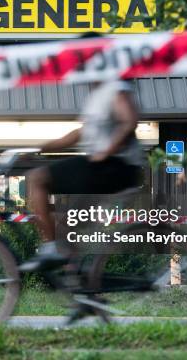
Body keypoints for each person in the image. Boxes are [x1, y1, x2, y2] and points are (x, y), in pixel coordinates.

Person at [20, 78, 144, 272]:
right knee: (66, 227)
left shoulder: (115, 88)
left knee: (37, 178)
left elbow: (129, 121)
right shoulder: (95, 98)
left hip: (115, 167)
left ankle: (50, 248)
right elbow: (78, 134)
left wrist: (107, 151)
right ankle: (85, 286)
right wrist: (38, 148)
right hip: (103, 169)